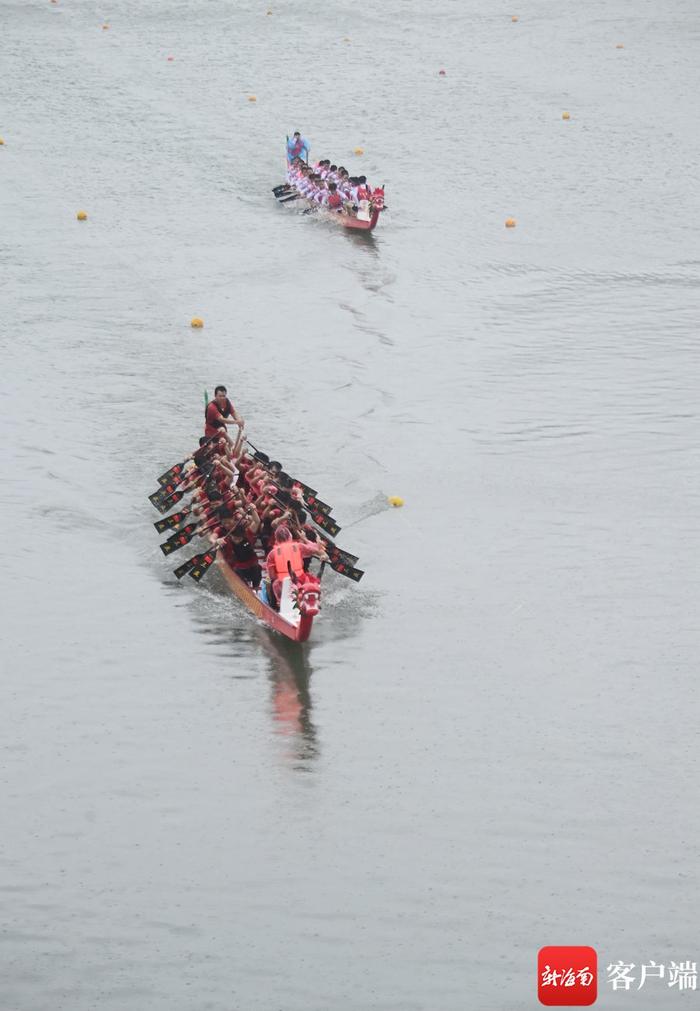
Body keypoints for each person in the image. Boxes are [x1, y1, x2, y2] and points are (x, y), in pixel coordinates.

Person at [265, 525, 326, 606]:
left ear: (277, 539)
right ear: (290, 536)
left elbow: (272, 575)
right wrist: (322, 554)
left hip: (283, 582)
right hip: (299, 579)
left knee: (271, 582)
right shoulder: (298, 546)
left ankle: (274, 606)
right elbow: (315, 550)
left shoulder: (272, 554)